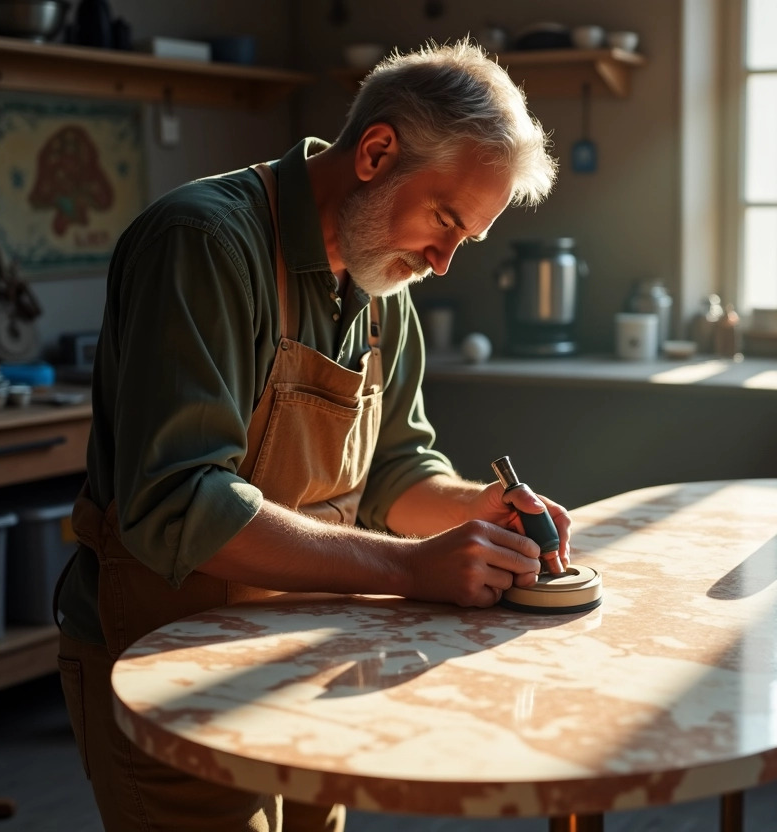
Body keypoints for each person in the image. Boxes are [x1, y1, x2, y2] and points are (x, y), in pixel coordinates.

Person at [54, 39, 564, 832]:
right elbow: (180, 502)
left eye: (469, 238)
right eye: (445, 220)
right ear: (377, 151)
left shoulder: (380, 284)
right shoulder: (205, 244)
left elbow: (397, 471)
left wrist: (481, 510)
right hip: (169, 670)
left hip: (307, 661)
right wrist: (414, 568)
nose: (442, 262)